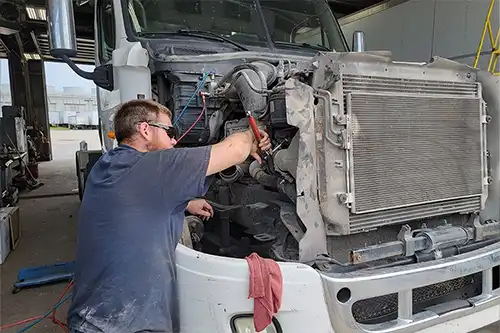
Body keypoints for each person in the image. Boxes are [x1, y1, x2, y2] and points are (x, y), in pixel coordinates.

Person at [67, 99, 272, 333]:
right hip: (128, 324)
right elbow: (235, 150)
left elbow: (135, 198)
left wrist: (185, 202)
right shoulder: (155, 166)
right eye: (169, 132)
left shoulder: (109, 164)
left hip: (90, 318)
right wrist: (252, 135)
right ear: (145, 130)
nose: (174, 140)